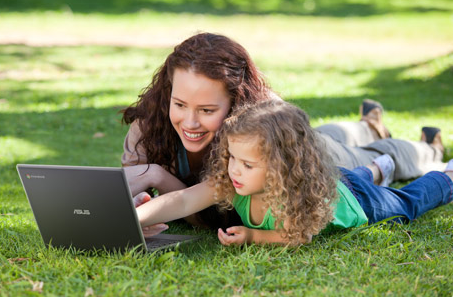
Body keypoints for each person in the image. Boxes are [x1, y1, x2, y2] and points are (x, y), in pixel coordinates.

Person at [121, 32, 446, 230]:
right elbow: (178, 201)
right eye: (180, 104)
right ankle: (368, 125)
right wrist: (135, 202)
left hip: (318, 155)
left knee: (355, 153)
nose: (189, 122)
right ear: (168, 92)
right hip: (312, 139)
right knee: (335, 134)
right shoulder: (150, 127)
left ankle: (428, 150)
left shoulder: (264, 126)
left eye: (207, 110)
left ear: (236, 102)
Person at [136, 100, 453, 246]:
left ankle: (445, 177)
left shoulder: (288, 197)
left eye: (248, 165)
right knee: (352, 176)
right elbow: (180, 201)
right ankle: (375, 169)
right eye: (232, 157)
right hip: (337, 180)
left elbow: (297, 236)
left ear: (280, 169)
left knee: (408, 203)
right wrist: (133, 218)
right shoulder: (232, 182)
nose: (234, 169)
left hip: (359, 202)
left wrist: (253, 236)